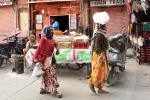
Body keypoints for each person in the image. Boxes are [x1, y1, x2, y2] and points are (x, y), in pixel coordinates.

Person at [33, 27, 62, 98]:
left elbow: (56, 45)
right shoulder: (43, 39)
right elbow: (38, 49)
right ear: (47, 32)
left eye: (52, 31)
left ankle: (43, 88)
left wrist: (58, 49)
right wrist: (35, 59)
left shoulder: (52, 40)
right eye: (50, 31)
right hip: (44, 60)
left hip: (50, 59)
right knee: (51, 75)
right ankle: (55, 90)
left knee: (46, 75)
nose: (51, 32)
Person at [88, 12, 110, 94]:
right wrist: (101, 55)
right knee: (97, 72)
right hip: (99, 56)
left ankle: (100, 88)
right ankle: (91, 84)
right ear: (102, 27)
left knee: (102, 72)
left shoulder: (100, 34)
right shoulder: (99, 35)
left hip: (100, 55)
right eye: (104, 26)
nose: (105, 27)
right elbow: (97, 47)